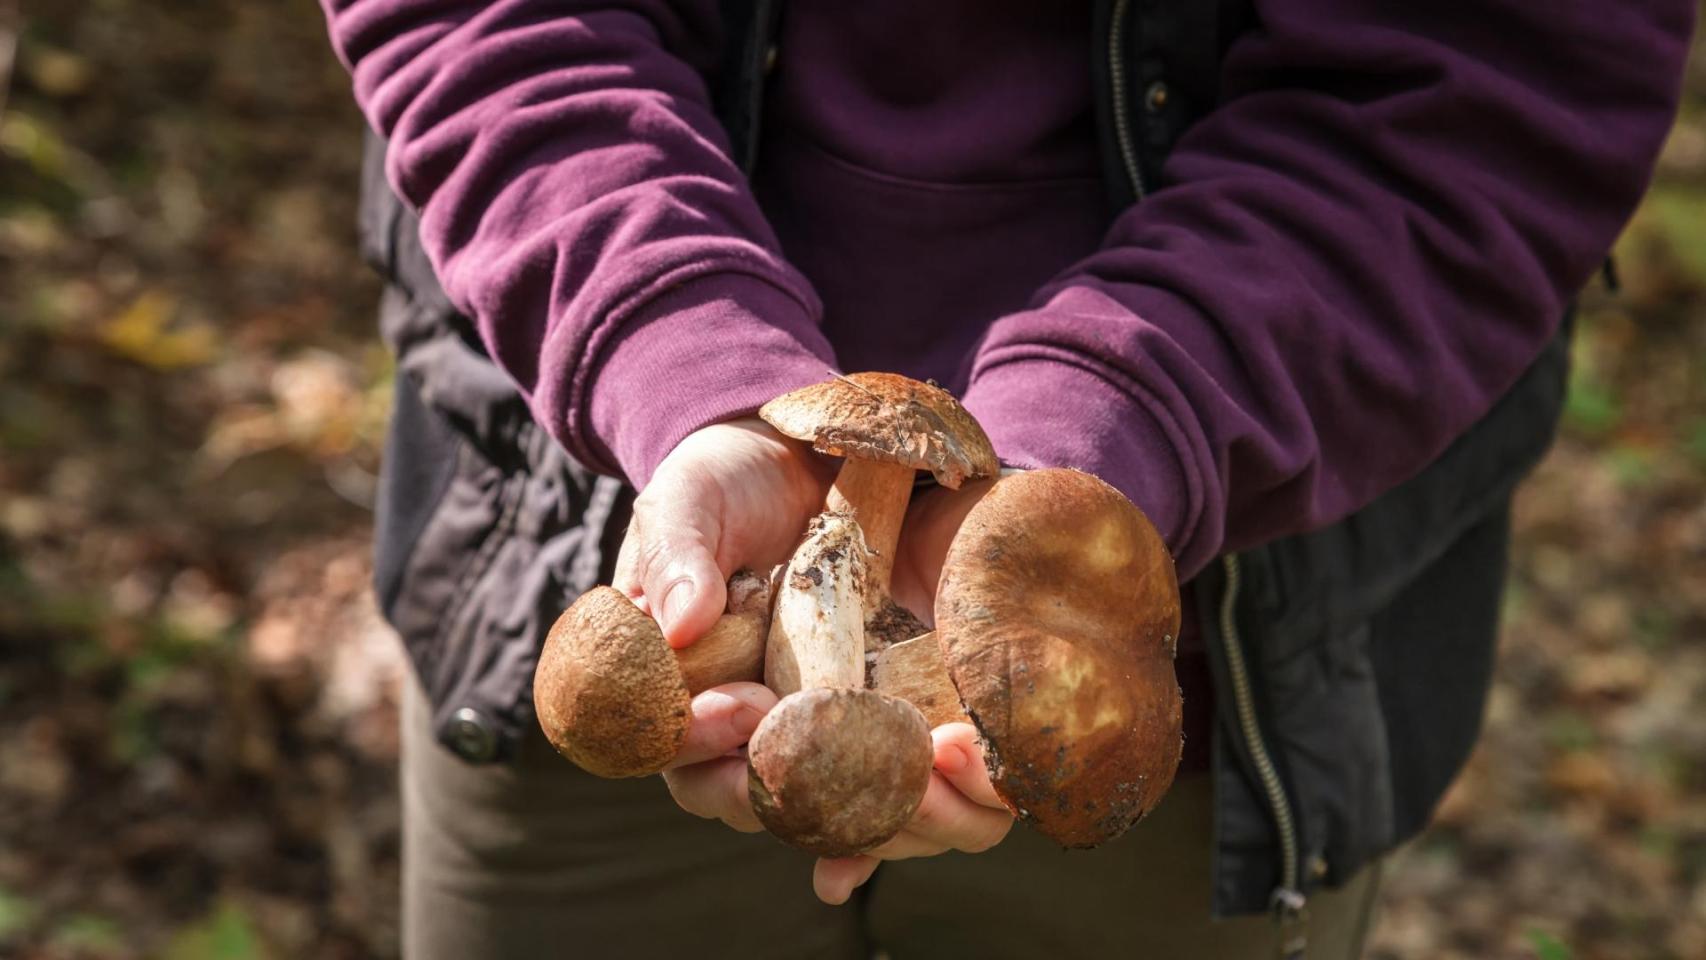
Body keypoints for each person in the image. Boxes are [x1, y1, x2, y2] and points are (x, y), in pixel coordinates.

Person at [318, 1, 1694, 956]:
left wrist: (1094, 454)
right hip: (580, 522)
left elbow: (1483, 89)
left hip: (1214, 648)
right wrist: (677, 351)